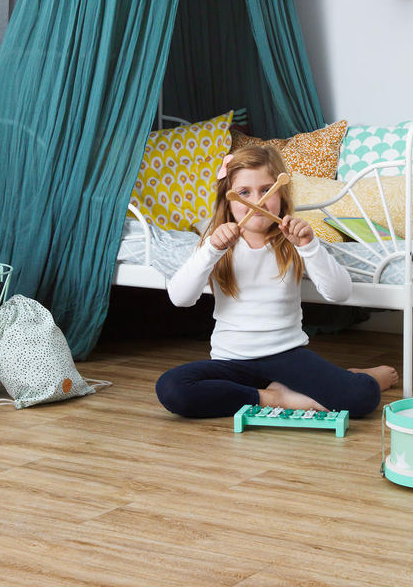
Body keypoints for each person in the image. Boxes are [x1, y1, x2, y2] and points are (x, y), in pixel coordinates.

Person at [155, 143, 398, 418]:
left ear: (281, 195)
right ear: (228, 200)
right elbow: (180, 297)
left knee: (361, 397)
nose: (257, 202)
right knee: (172, 388)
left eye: (266, 191)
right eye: (244, 193)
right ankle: (272, 396)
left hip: (287, 356)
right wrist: (211, 249)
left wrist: (309, 246)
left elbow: (339, 293)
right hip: (230, 361)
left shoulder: (293, 241)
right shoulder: (215, 244)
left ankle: (355, 377)